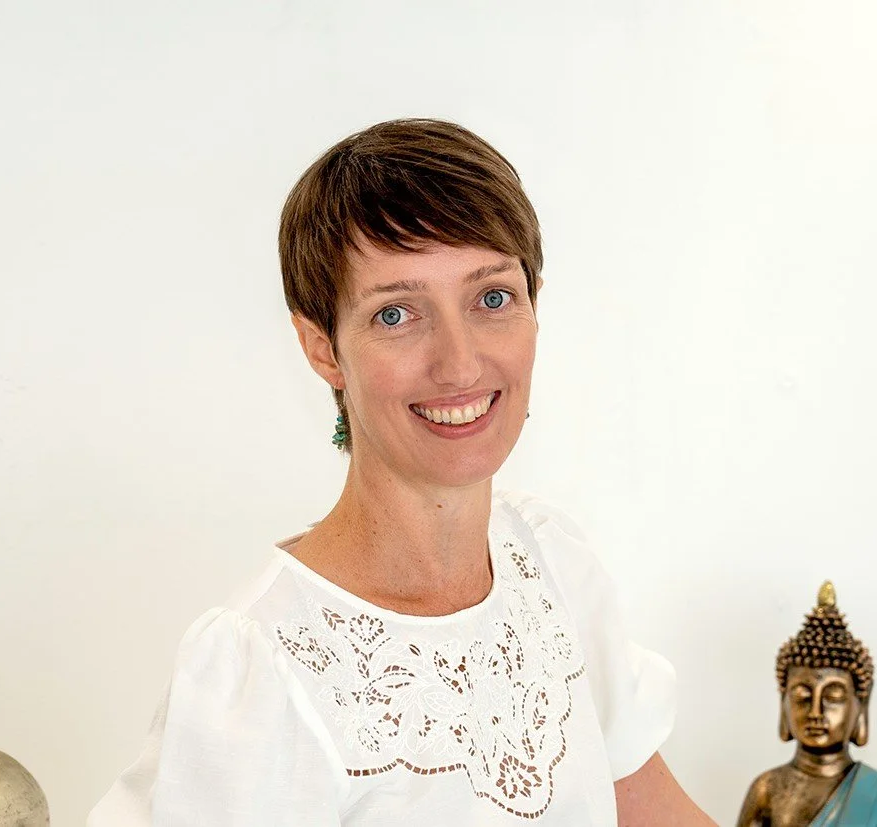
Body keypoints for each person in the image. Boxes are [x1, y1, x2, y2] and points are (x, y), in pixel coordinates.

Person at [88, 118, 713, 825]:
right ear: (322, 348)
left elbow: (655, 811)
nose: (461, 363)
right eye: (395, 313)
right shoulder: (262, 668)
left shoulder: (551, 564)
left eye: (493, 298)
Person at [737, 582, 877, 826]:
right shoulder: (768, 790)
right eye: (802, 696)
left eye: (833, 697)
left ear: (861, 705)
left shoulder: (871, 793)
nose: (816, 712)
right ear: (784, 703)